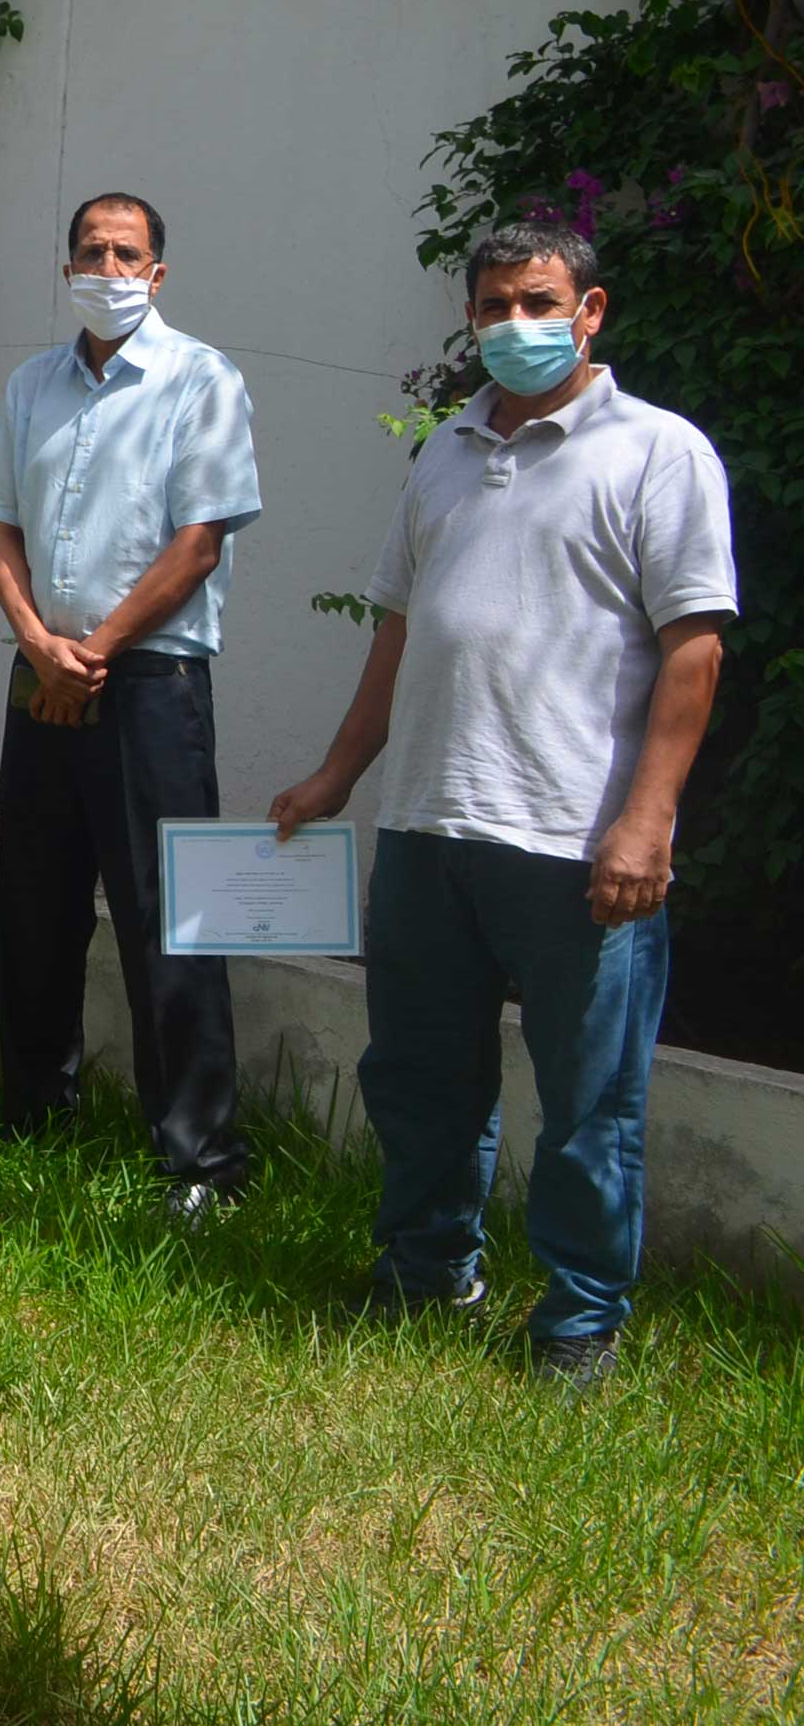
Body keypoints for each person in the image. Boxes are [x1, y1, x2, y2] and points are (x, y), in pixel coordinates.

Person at [269, 223, 731, 1386]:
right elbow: (401, 629)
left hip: (576, 841)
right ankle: (427, 1271)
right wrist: (339, 773)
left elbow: (696, 650)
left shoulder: (657, 453)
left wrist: (649, 819)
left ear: (591, 310)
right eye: (490, 307)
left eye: (537, 300)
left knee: (591, 1103)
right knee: (420, 1081)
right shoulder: (445, 451)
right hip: (430, 826)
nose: (512, 324)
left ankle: (579, 1320)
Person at [0, 192, 264, 1223]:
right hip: (41, 678)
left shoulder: (200, 381)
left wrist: (93, 650)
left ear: (158, 273)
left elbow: (199, 543)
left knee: (165, 919)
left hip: (146, 689)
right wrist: (42, 645)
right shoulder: (32, 384)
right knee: (34, 912)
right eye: (90, 250)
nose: (107, 266)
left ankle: (199, 1161)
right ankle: (35, 1117)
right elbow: (1, 528)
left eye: (126, 253)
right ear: (67, 265)